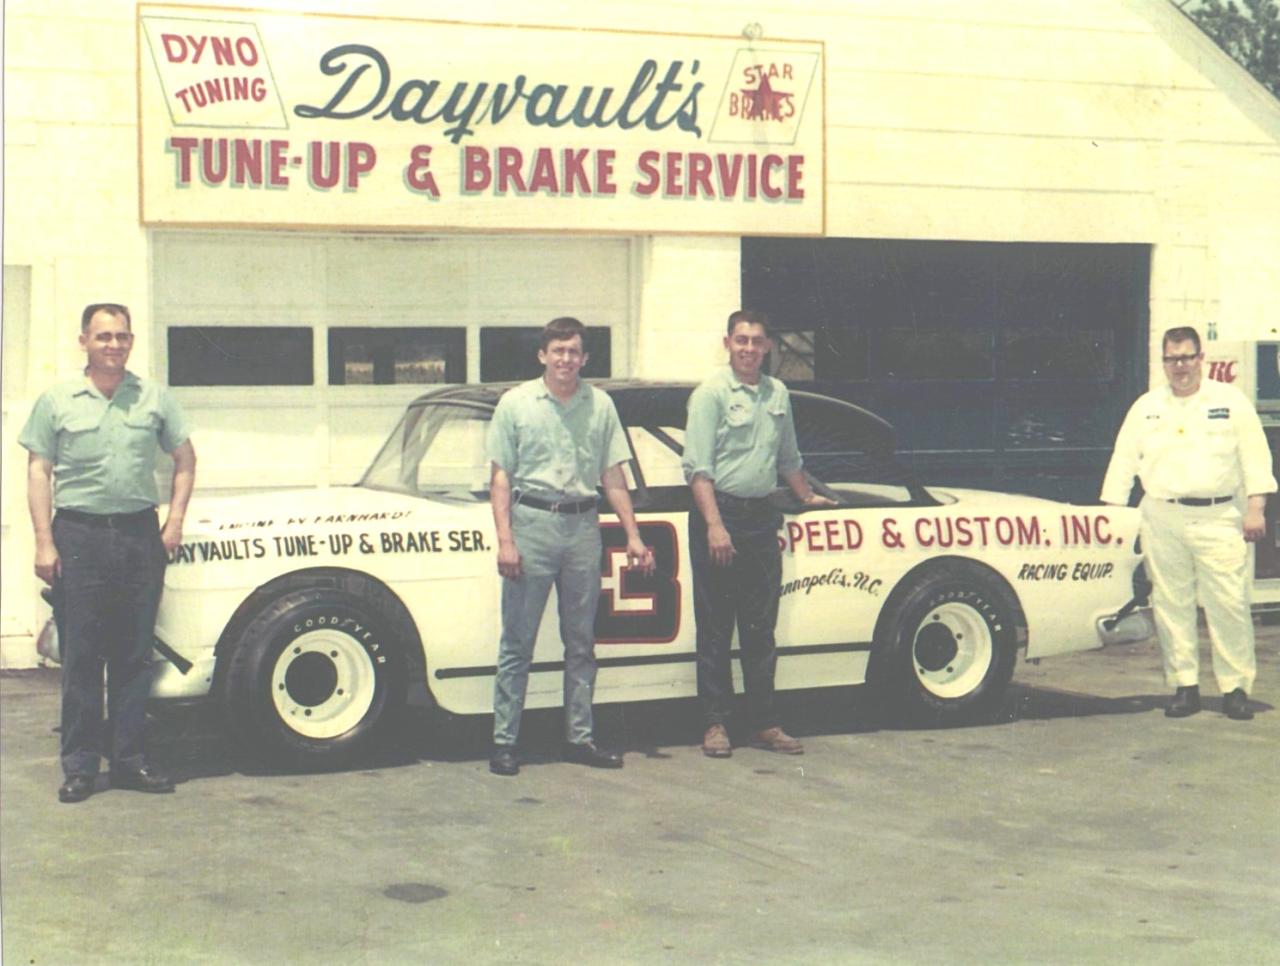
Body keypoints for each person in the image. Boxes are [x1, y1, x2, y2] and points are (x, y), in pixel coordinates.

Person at [20, 303, 196, 802]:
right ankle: (79, 767)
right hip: (79, 537)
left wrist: (174, 522)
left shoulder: (153, 398)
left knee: (133, 655)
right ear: (84, 341)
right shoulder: (57, 401)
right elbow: (38, 471)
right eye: (103, 336)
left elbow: (185, 459)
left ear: (131, 341)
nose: (113, 345)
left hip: (139, 536)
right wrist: (44, 540)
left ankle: (129, 761)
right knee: (81, 658)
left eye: (121, 336)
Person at [486, 317, 655, 776]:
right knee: (517, 643)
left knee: (581, 642)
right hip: (532, 525)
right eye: (558, 351)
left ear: (585, 358)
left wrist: (633, 534)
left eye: (573, 351)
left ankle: (579, 738)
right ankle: (504, 742)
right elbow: (500, 479)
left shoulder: (600, 406)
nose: (565, 359)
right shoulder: (516, 404)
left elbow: (612, 476)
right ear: (543, 355)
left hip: (582, 528)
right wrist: (506, 540)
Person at [1101, 325, 1275, 721]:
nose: (1180, 366)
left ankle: (1235, 688)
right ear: (1164, 362)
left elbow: (1255, 457)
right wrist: (1113, 515)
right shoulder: (1146, 407)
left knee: (1229, 604)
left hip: (1219, 517)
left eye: (1186, 357)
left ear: (1201, 359)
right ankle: (1184, 686)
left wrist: (1256, 508)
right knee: (1170, 604)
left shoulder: (1229, 402)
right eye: (1172, 359)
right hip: (1163, 516)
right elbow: (1123, 461)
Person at [683, 309, 834, 758]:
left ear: (767, 347)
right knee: (715, 627)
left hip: (760, 518)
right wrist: (714, 526)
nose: (748, 348)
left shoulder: (777, 393)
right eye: (741, 340)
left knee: (759, 628)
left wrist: (806, 497)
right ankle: (715, 724)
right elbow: (698, 469)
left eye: (756, 341)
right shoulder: (710, 394)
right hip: (719, 516)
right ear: (727, 343)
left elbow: (789, 458)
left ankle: (764, 723)